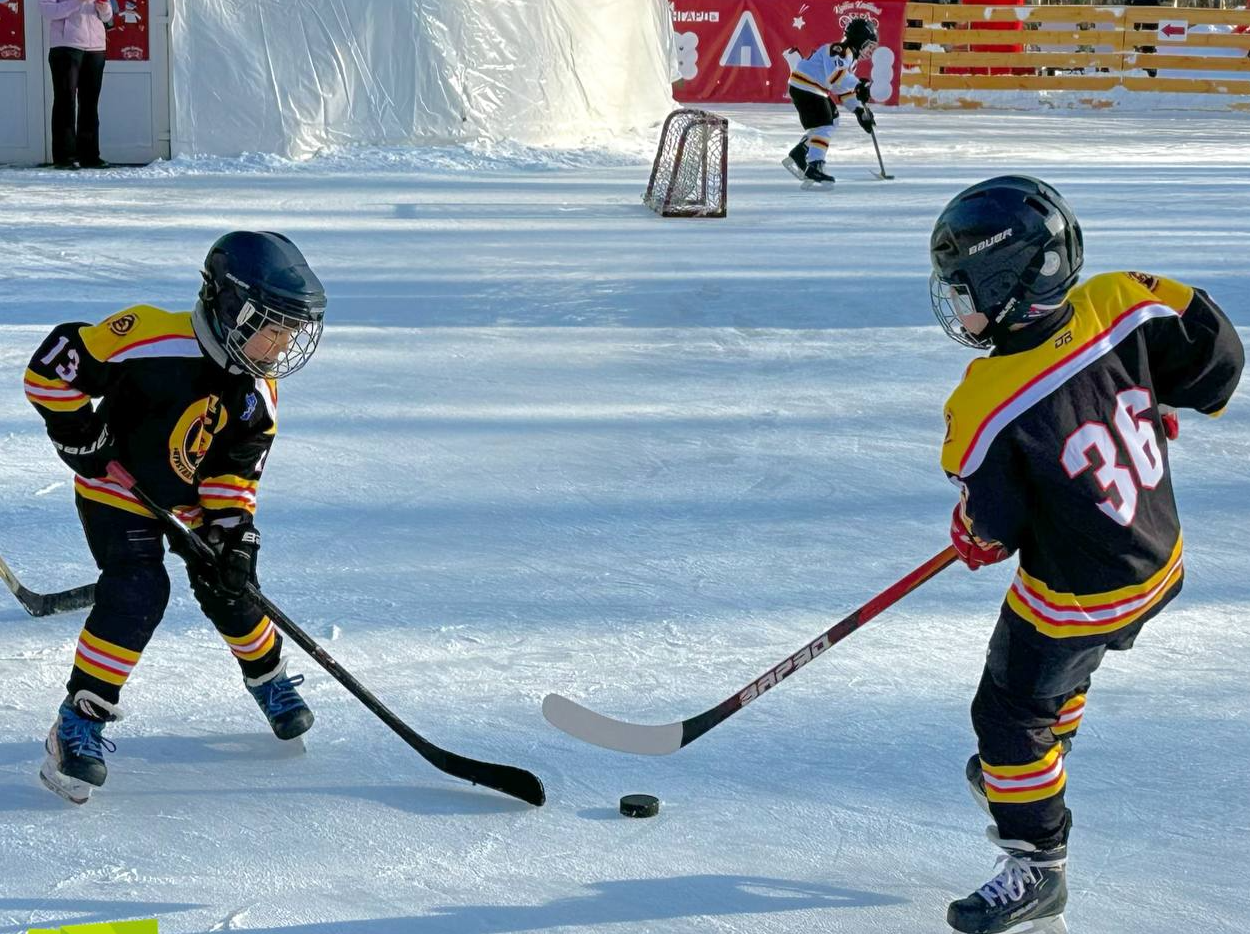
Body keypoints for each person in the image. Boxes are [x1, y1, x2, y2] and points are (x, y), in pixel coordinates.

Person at [931, 175, 1243, 934]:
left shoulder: (983, 403)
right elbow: (1217, 358)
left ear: (1009, 287)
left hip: (1079, 595)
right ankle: (1043, 757)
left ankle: (1037, 864)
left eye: (964, 287)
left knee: (1007, 715)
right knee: (1062, 680)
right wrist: (1146, 396)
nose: (956, 304)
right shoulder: (1119, 298)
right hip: (1157, 561)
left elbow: (995, 529)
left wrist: (973, 531)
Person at [24, 231, 328, 805]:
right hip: (116, 492)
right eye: (274, 326)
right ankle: (77, 723)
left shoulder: (258, 391)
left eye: (292, 330)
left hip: (189, 502)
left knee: (234, 591)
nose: (284, 343)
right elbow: (49, 370)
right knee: (138, 591)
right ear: (232, 309)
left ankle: (269, 679)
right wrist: (78, 434)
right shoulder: (146, 336)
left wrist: (234, 533)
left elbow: (235, 471)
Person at [781, 17, 878, 189]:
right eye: (868, 44)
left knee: (831, 120)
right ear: (859, 39)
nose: (870, 50)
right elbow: (837, 76)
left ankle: (800, 153)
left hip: (810, 88)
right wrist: (859, 84)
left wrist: (859, 111)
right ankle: (815, 165)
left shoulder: (849, 59)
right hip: (806, 87)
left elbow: (842, 89)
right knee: (824, 125)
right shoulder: (839, 50)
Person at [40, 0, 113, 169]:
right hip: (66, 46)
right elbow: (47, 10)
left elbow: (108, 15)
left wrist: (103, 7)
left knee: (90, 102)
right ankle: (64, 157)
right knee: (65, 101)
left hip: (96, 47)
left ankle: (90, 155)